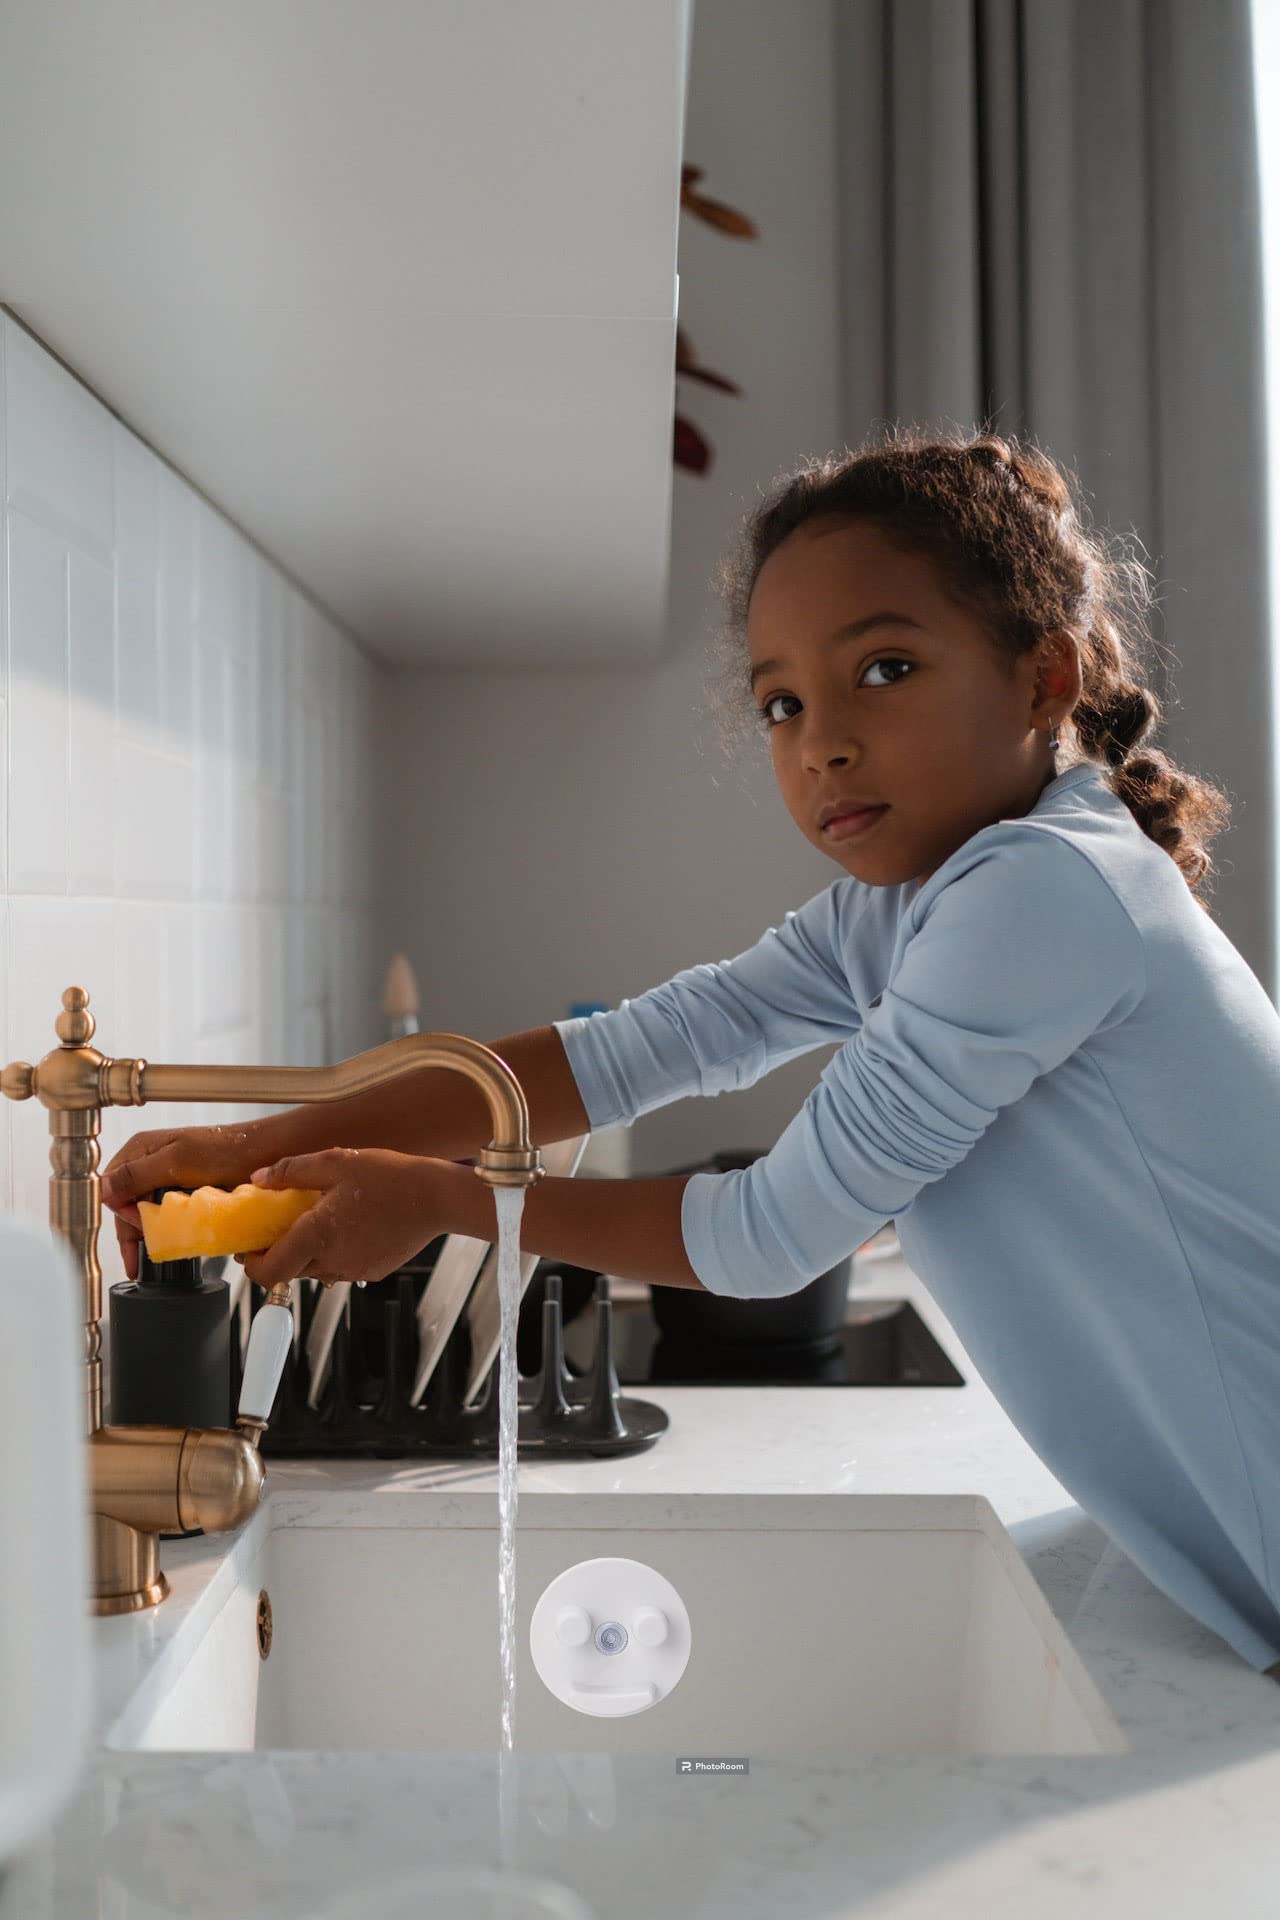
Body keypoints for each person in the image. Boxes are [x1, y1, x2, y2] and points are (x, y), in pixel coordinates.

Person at [102, 426, 1280, 1680]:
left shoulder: (1040, 894)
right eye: (780, 702)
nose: (819, 739)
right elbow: (635, 1050)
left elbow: (770, 1235)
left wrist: (444, 1205)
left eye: (882, 668)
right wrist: (258, 1141)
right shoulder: (920, 901)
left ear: (1042, 681)